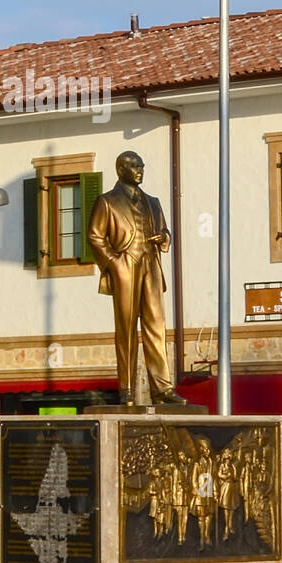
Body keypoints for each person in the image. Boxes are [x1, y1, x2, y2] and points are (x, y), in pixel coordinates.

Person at [86, 151, 183, 406]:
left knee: (156, 327)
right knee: (126, 330)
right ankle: (126, 389)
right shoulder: (107, 201)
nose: (140, 169)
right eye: (135, 166)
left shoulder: (153, 202)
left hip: (151, 264)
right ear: (121, 169)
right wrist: (113, 262)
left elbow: (164, 231)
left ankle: (162, 389)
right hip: (125, 265)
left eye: (142, 165)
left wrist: (164, 238)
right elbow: (95, 236)